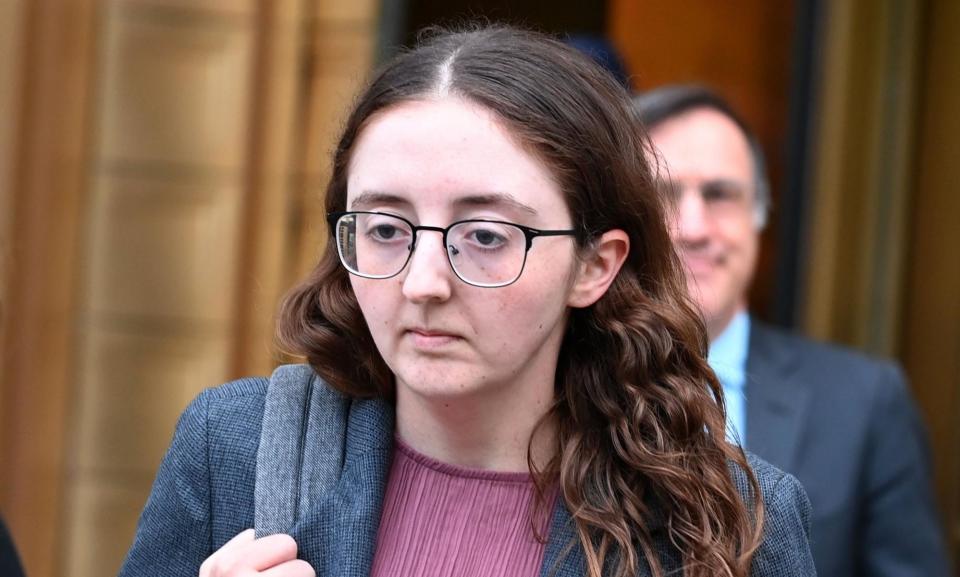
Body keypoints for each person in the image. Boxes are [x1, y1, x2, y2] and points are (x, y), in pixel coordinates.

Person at [120, 27, 816, 577]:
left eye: (484, 235)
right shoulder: (234, 450)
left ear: (595, 265)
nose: (423, 282)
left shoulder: (724, 522)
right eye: (387, 229)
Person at [633, 85, 949, 577]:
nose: (692, 227)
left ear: (759, 215)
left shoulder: (865, 401)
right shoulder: (556, 385)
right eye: (663, 195)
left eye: (720, 195)